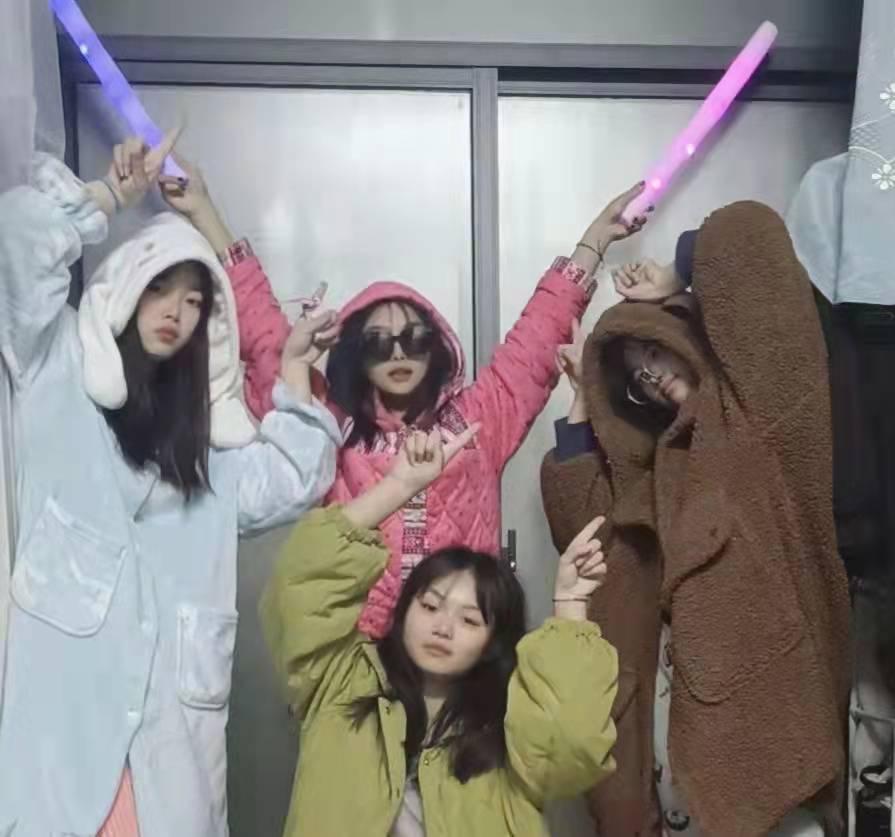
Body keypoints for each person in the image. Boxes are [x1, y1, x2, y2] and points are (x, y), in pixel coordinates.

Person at [0, 137, 340, 836]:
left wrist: (294, 371)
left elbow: (295, 475)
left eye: (193, 302)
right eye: (159, 287)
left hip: (169, 779)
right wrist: (107, 197)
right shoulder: (56, 376)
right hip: (58, 767)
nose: (174, 312)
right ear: (125, 285)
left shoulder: (203, 468)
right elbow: (15, 243)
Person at [159, 159, 649, 639]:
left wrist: (594, 241)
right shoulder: (326, 424)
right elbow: (266, 338)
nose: (398, 353)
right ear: (356, 354)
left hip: (462, 656)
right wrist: (204, 212)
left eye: (414, 339)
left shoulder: (477, 421)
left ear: (436, 348)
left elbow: (536, 340)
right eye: (378, 342)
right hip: (356, 656)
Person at [542, 201, 851, 836]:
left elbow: (750, 239)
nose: (650, 375)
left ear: (689, 335)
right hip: (671, 789)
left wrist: (679, 271)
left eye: (653, 351)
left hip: (775, 778)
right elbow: (583, 535)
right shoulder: (653, 477)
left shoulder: (758, 424)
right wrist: (584, 402)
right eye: (633, 377)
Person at [260, 423, 619, 836]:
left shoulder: (515, 719)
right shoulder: (341, 679)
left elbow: (572, 748)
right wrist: (398, 487)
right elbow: (301, 585)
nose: (443, 627)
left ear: (493, 641)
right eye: (430, 606)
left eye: (469, 620)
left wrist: (570, 604)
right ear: (404, 610)